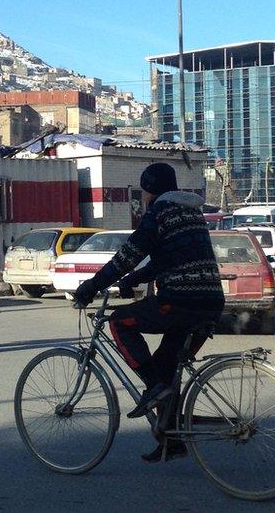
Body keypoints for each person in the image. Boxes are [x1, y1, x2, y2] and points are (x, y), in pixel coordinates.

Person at [73, 163, 225, 463]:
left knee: (119, 323)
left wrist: (91, 286)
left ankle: (155, 390)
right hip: (210, 302)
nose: (142, 196)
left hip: (181, 300)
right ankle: (172, 439)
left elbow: (127, 256)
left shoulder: (159, 212)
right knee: (165, 367)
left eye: (143, 190)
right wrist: (134, 280)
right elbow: (168, 259)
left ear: (149, 190)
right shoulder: (190, 213)